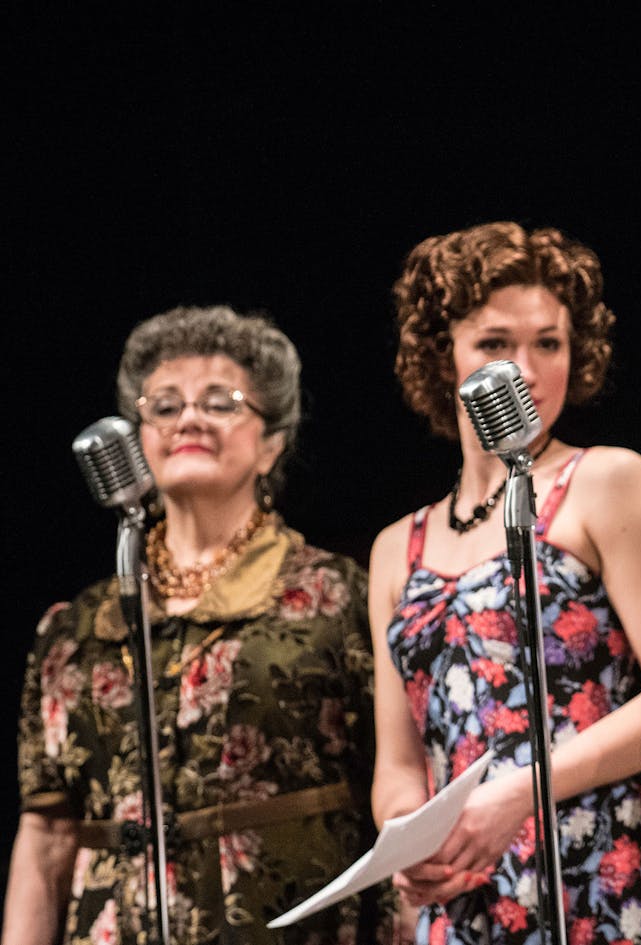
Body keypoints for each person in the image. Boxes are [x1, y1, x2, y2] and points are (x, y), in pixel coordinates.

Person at [5, 305, 381, 944]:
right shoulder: (74, 629)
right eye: (165, 405)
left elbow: (395, 790)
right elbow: (47, 832)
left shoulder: (338, 598)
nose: (190, 420)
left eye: (221, 402)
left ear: (271, 444)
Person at [369, 221, 641, 945]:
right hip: (469, 897)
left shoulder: (606, 480)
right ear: (441, 355)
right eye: (493, 344)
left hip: (610, 870)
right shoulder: (398, 546)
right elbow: (399, 762)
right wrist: (407, 839)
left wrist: (522, 792)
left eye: (547, 343)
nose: (522, 368)